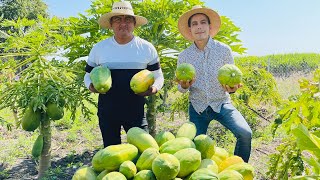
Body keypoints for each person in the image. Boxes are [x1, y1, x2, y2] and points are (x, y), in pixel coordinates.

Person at [176, 5, 252, 162]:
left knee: (245, 134)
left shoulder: (224, 50)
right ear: (190, 29)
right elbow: (181, 89)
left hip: (221, 104)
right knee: (195, 150)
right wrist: (184, 86)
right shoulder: (184, 56)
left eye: (202, 22)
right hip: (198, 107)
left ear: (209, 27)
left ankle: (239, 169)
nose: (199, 27)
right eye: (194, 24)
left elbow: (231, 80)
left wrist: (232, 89)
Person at [84, 1, 164, 147]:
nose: (123, 23)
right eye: (117, 19)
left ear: (134, 23)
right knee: (111, 154)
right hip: (107, 112)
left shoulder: (146, 48)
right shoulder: (99, 48)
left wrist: (154, 89)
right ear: (111, 24)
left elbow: (158, 75)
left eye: (128, 19)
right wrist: (90, 86)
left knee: (143, 152)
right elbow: (88, 74)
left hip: (136, 112)